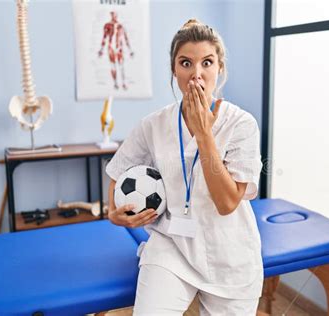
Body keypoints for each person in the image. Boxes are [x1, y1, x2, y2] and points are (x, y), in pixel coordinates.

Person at [105, 18, 263, 315]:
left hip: (230, 255)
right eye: (186, 63)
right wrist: (112, 212)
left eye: (207, 62)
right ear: (174, 70)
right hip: (172, 246)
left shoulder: (241, 124)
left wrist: (204, 134)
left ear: (220, 68)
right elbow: (118, 170)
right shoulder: (154, 124)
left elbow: (228, 203)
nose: (197, 74)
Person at [98, 11, 134, 90]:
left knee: (121, 66)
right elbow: (104, 38)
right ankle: (115, 83)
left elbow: (125, 38)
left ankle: (123, 83)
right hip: (111, 48)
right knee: (113, 66)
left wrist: (130, 50)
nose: (114, 16)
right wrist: (101, 50)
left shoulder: (120, 26)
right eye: (113, 15)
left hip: (119, 48)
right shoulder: (107, 25)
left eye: (115, 15)